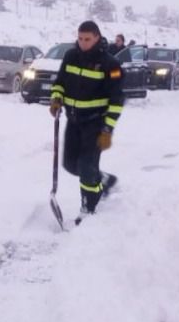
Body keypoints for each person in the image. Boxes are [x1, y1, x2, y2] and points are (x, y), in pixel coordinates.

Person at [49, 21, 124, 225]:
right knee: (71, 165)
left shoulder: (110, 64)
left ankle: (87, 208)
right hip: (73, 120)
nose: (83, 43)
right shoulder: (70, 56)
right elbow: (60, 83)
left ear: (97, 37)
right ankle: (104, 180)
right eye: (80, 38)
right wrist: (56, 99)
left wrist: (107, 129)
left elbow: (117, 100)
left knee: (86, 166)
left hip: (95, 122)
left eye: (87, 39)